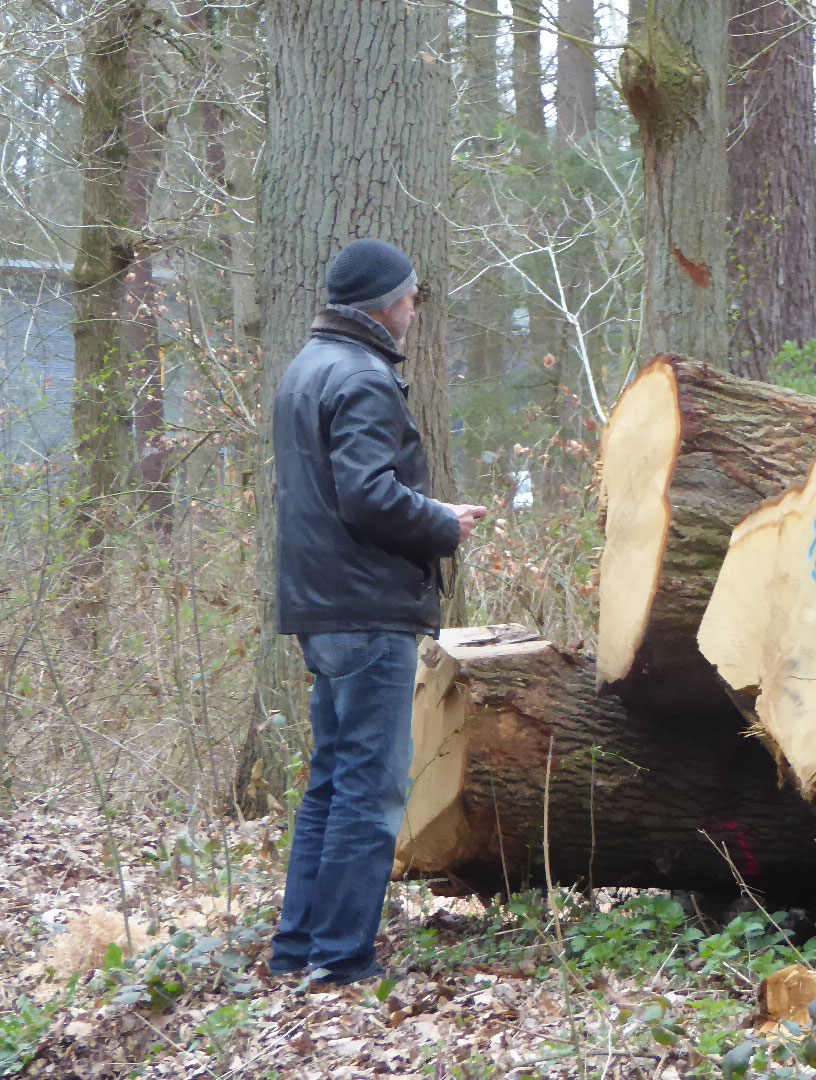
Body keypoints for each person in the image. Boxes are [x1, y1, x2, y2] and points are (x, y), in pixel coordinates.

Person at [266, 238, 487, 985]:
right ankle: (339, 962)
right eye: (413, 296)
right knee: (370, 788)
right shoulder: (361, 377)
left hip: (322, 610)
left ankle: (300, 950)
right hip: (365, 610)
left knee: (332, 782)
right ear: (389, 303)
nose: (416, 310)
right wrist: (442, 522)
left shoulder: (305, 369)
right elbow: (365, 496)